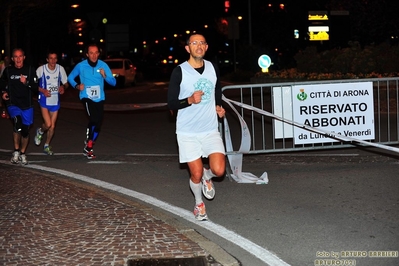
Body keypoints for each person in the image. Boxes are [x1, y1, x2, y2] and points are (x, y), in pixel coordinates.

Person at [167, 33, 226, 221]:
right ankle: (199, 203)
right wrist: (190, 100)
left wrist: (218, 106)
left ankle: (207, 178)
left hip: (209, 129)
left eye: (202, 43)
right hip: (187, 132)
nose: (199, 46)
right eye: (194, 43)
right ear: (187, 48)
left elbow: (217, 89)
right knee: (196, 172)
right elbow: (171, 103)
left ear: (206, 47)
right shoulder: (180, 71)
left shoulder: (212, 67)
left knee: (219, 170)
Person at [67, 44, 116, 159]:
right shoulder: (81, 66)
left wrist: (105, 76)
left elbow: (113, 82)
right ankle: (89, 146)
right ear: (87, 54)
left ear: (99, 54)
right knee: (94, 119)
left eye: (96, 53)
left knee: (98, 123)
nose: (94, 55)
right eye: (91, 53)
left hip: (99, 97)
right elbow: (70, 77)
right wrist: (77, 86)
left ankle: (88, 145)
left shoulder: (103, 65)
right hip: (86, 97)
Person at [0, 48, 39, 165]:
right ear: (12, 59)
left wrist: (26, 82)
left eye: (20, 56)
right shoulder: (8, 70)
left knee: (25, 132)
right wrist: (3, 92)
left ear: (24, 57)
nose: (18, 59)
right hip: (13, 104)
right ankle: (16, 151)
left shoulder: (30, 70)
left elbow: (36, 88)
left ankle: (22, 153)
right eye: (15, 57)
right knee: (17, 123)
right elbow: (1, 82)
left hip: (27, 105)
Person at [34, 51, 69, 155]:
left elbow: (66, 83)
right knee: (48, 124)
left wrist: (63, 87)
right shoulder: (41, 70)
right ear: (47, 59)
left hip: (55, 100)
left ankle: (46, 145)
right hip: (44, 100)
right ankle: (40, 131)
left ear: (57, 59)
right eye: (51, 58)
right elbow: (33, 84)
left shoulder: (60, 69)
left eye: (55, 58)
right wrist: (43, 90)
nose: (53, 61)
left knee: (52, 127)